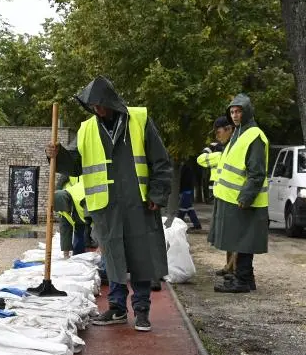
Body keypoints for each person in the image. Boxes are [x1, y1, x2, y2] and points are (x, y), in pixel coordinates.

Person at [46, 76, 172, 332]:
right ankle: (116, 308)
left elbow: (161, 161)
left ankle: (142, 310)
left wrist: (157, 195)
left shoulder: (139, 119)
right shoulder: (86, 130)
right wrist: (57, 156)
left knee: (140, 256)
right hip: (106, 205)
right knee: (113, 257)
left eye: (100, 104)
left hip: (138, 202)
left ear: (111, 101)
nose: (97, 110)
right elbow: (75, 164)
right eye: (92, 106)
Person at [209, 94, 269, 293]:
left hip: (244, 200)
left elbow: (257, 172)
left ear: (247, 111)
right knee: (240, 238)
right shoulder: (239, 133)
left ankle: (241, 280)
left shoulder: (254, 135)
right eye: (232, 112)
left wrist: (246, 197)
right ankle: (246, 278)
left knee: (243, 239)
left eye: (238, 111)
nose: (235, 115)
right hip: (234, 198)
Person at [198, 116, 236, 275]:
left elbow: (203, 159)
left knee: (235, 235)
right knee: (228, 235)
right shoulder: (221, 149)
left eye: (218, 132)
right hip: (222, 195)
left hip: (233, 196)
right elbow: (201, 160)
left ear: (229, 129)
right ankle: (229, 267)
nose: (217, 136)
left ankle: (234, 269)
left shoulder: (231, 149)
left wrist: (212, 153)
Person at [54, 174, 88, 258]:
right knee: (78, 249)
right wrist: (66, 254)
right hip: (76, 216)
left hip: (86, 212)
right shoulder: (62, 207)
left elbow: (96, 225)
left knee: (88, 239)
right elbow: (65, 229)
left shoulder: (82, 199)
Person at [177, 159, 202, 230]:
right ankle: (197, 225)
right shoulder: (187, 168)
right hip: (187, 190)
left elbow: (184, 180)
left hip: (185, 190)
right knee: (189, 209)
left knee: (182, 209)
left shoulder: (185, 168)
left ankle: (177, 224)